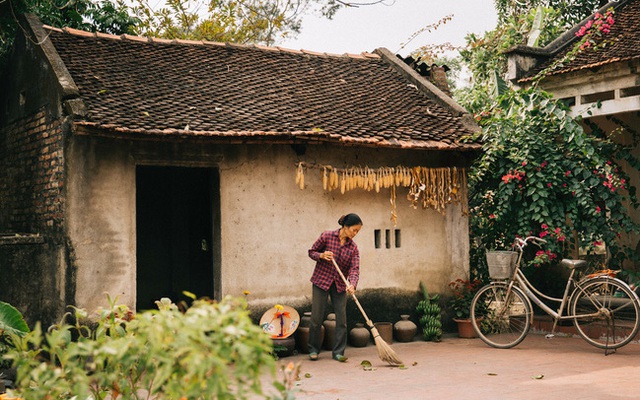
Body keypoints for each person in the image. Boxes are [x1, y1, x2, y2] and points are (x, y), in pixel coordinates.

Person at [307, 213, 362, 362]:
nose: (355, 234)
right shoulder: (327, 236)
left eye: (358, 231)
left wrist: (352, 284)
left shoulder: (353, 248)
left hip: (339, 285)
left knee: (342, 320)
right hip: (321, 281)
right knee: (316, 318)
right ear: (345, 226)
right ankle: (313, 349)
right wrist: (322, 255)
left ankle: (338, 351)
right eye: (354, 230)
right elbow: (311, 252)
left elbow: (354, 269)